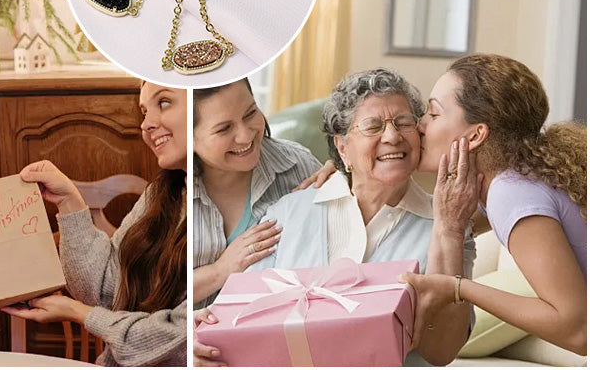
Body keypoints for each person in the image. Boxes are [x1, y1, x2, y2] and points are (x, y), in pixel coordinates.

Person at [193, 69, 477, 367]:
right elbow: (241, 321)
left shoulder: (449, 225)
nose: (392, 136)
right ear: (342, 147)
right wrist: (201, 337)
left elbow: (442, 352)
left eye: (403, 123)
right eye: (373, 126)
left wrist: (450, 231)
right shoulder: (286, 214)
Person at [402, 54, 586, 355]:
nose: (419, 125)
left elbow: (576, 330)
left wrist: (458, 287)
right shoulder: (508, 180)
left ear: (475, 135)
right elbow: (433, 223)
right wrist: (345, 168)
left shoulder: (510, 193)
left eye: (433, 115)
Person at [4, 82, 187, 367]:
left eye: (164, 103)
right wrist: (69, 202)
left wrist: (79, 313)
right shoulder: (161, 194)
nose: (147, 124)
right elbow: (104, 290)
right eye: (143, 111)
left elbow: (180, 340)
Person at [193, 79, 329, 309]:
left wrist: (348, 177)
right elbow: (151, 298)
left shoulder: (298, 165)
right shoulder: (171, 194)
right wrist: (220, 271)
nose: (246, 136)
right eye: (224, 128)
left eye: (250, 113)